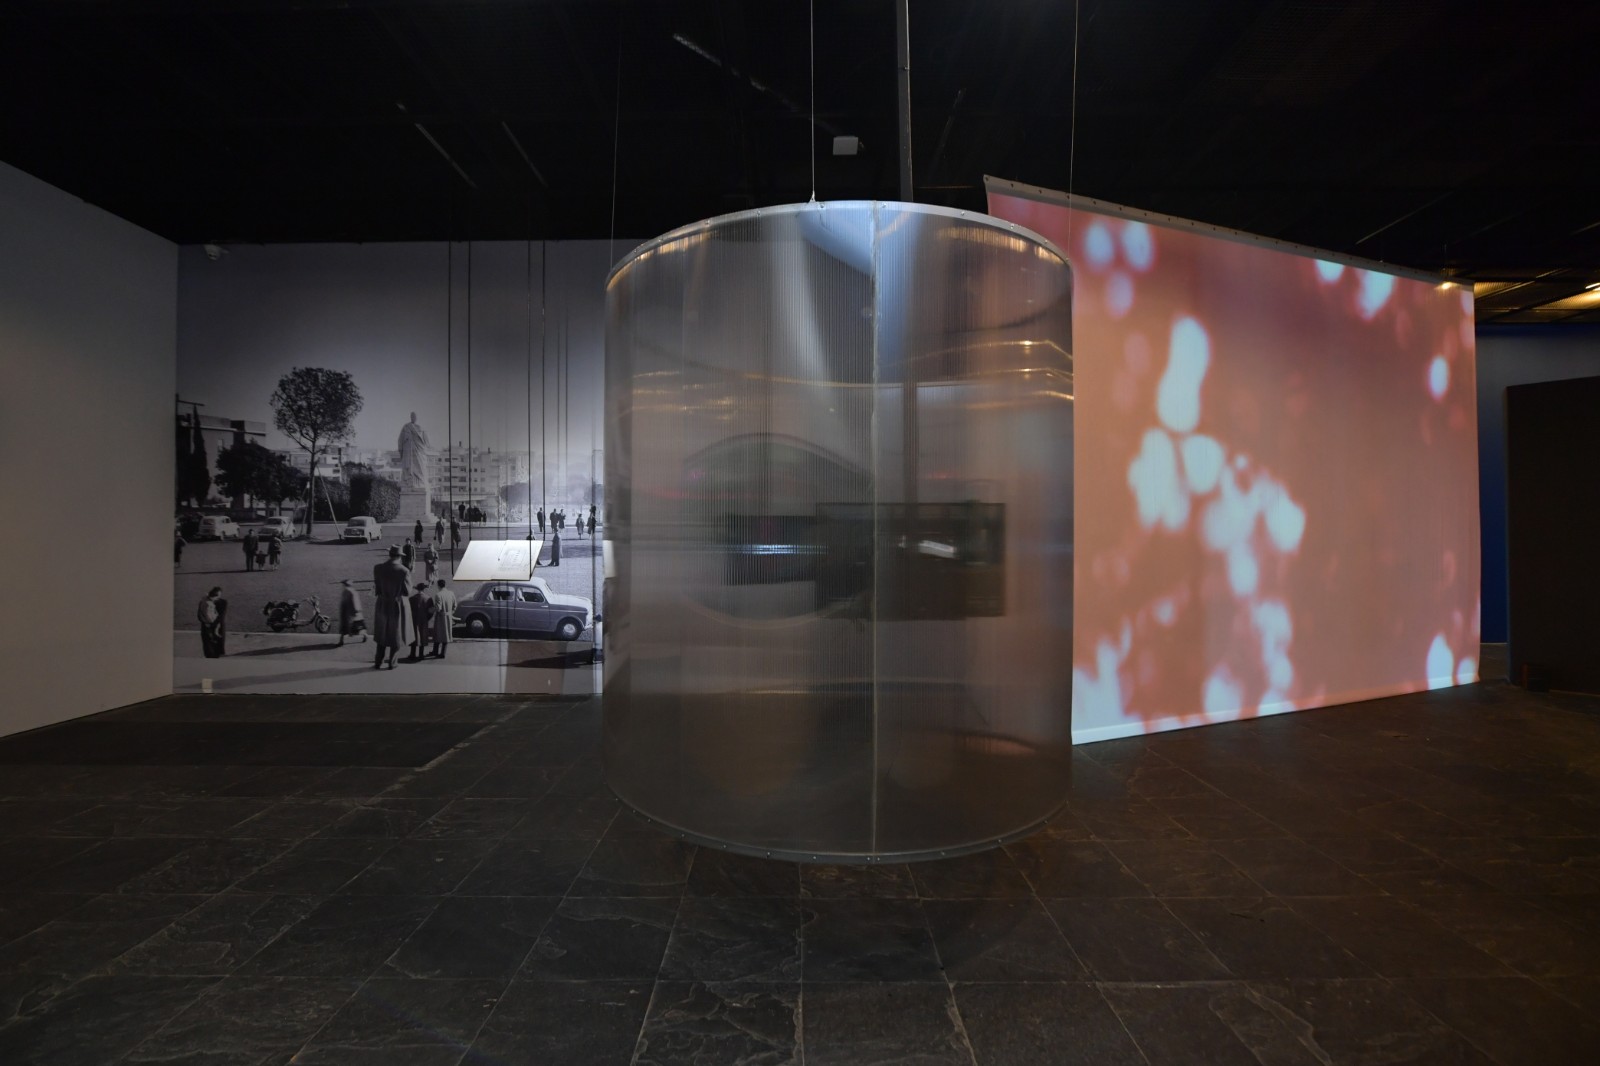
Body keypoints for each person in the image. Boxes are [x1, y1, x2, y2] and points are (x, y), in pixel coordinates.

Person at [371, 546, 413, 669]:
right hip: (396, 604)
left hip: (382, 603)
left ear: (390, 555)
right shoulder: (404, 571)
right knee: (396, 634)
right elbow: (407, 591)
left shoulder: (378, 568)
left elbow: (377, 588)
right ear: (400, 557)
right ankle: (392, 662)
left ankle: (378, 661)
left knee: (382, 633)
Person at [408, 580, 436, 662]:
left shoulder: (412, 598)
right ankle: (421, 655)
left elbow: (408, 611)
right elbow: (431, 611)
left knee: (414, 636)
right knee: (423, 636)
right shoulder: (428, 598)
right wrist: (427, 618)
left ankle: (412, 654)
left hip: (414, 620)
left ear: (417, 589)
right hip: (424, 620)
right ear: (424, 589)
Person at [431, 578, 457, 658]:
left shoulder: (438, 595)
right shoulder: (451, 593)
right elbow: (455, 605)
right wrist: (451, 612)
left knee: (437, 634)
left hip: (440, 617)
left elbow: (438, 608)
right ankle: (442, 652)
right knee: (446, 634)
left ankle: (436, 652)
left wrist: (430, 610)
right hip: (448, 616)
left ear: (438, 585)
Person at [198, 587, 227, 658]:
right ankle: (212, 655)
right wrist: (213, 623)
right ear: (213, 596)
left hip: (209, 623)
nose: (218, 598)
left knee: (211, 640)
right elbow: (207, 615)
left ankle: (213, 654)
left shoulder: (205, 600)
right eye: (217, 596)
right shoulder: (208, 604)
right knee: (211, 640)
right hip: (210, 624)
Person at [337, 578, 367, 646]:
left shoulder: (348, 591)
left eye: (344, 584)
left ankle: (364, 635)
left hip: (350, 612)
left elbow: (354, 602)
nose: (343, 585)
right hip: (348, 611)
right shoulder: (351, 591)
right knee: (350, 626)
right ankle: (341, 640)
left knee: (352, 626)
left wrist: (355, 611)